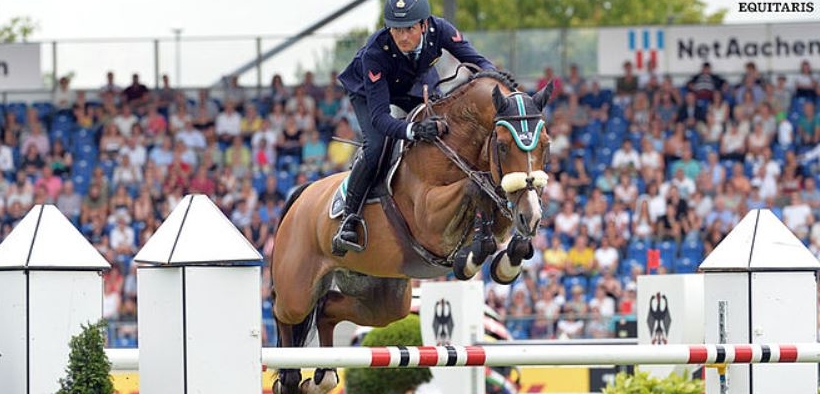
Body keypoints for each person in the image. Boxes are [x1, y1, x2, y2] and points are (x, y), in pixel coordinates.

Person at [332, 0, 495, 255]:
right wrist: (414, 131)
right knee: (376, 146)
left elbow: (481, 64)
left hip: (416, 82)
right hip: (370, 92)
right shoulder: (376, 52)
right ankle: (349, 217)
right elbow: (380, 118)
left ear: (424, 24)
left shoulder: (440, 29)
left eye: (409, 28)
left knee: (448, 129)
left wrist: (496, 88)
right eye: (396, 29)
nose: (402, 36)